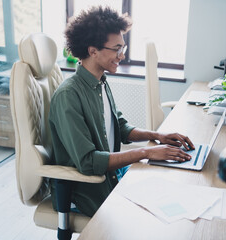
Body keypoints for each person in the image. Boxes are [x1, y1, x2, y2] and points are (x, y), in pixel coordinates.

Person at [49, 6, 195, 217]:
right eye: (117, 49)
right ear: (93, 51)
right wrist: (146, 152)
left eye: (123, 48)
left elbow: (120, 126)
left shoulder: (101, 83)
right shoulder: (68, 96)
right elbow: (89, 162)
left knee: (173, 187)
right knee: (158, 214)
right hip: (88, 191)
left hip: (112, 175)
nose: (122, 56)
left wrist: (158, 136)